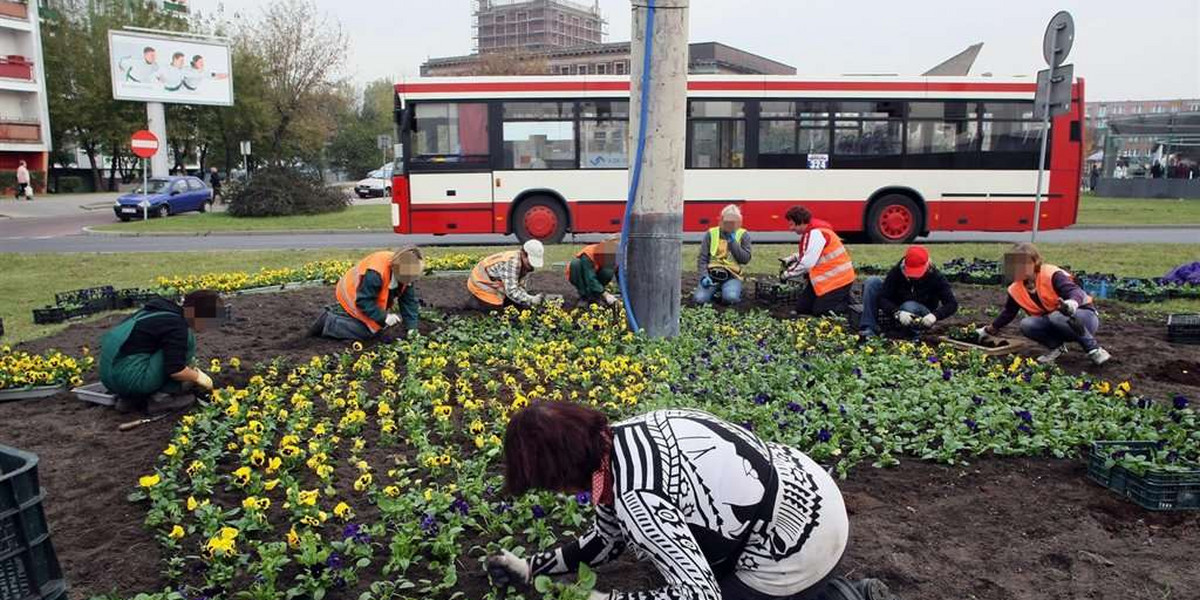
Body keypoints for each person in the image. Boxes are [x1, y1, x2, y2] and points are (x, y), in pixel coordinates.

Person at [486, 403, 894, 600]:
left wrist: (599, 599)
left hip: (796, 546)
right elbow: (606, 540)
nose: (554, 491)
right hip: (812, 489)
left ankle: (843, 597)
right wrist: (531, 567)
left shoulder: (638, 497)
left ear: (562, 473)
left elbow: (699, 595)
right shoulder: (621, 440)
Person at [977, 243, 1111, 365]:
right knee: (1027, 324)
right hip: (1056, 324)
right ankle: (1056, 348)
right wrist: (989, 329)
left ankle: (1094, 350)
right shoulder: (1015, 288)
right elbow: (1009, 312)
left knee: (1057, 316)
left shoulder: (1051, 274)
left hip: (1084, 318)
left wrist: (1071, 304)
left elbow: (1076, 292)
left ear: (1035, 262)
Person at [100, 290, 220, 414]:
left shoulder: (158, 311)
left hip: (109, 378)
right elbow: (175, 370)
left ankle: (130, 400)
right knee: (186, 343)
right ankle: (161, 399)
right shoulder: (178, 326)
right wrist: (199, 377)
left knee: (159, 349)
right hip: (129, 377)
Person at [310, 247, 423, 340]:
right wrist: (384, 317)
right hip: (352, 293)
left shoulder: (407, 270)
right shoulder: (375, 274)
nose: (410, 283)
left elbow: (408, 301)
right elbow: (364, 302)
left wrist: (411, 328)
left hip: (367, 294)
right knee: (369, 332)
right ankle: (331, 323)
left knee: (379, 328)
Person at [860, 245, 958, 338]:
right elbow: (883, 298)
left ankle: (912, 333)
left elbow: (952, 304)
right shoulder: (897, 272)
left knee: (909, 305)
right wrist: (897, 313)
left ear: (927, 264)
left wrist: (934, 315)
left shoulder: (936, 277)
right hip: (899, 311)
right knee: (872, 282)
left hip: (922, 316)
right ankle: (868, 328)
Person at [780, 206, 856, 317]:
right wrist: (793, 257)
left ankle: (848, 303)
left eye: (792, 224)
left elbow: (807, 263)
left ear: (800, 222)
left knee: (821, 312)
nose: (790, 229)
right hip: (827, 279)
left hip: (839, 280)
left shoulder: (816, 233)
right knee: (802, 308)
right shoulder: (815, 230)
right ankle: (840, 298)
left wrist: (786, 274)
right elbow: (813, 252)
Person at [693, 204, 752, 305]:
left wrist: (732, 242)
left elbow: (745, 259)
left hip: (732, 277)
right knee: (699, 299)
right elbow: (702, 258)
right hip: (711, 276)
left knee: (731, 299)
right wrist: (704, 276)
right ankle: (716, 291)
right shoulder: (711, 233)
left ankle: (729, 291)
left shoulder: (743, 234)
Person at [467, 239, 546, 309]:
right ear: (523, 254)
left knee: (516, 303)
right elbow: (512, 291)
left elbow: (519, 286)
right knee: (496, 309)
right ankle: (475, 305)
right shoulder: (511, 263)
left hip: (494, 279)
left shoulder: (524, 264)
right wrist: (531, 300)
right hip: (480, 282)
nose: (531, 266)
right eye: (530, 262)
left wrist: (527, 299)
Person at [567, 236, 619, 306]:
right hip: (583, 275)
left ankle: (596, 295)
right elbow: (590, 278)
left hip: (596, 274)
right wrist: (605, 294)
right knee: (575, 264)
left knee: (608, 271)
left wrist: (624, 293)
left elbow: (620, 275)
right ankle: (584, 296)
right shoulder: (589, 252)